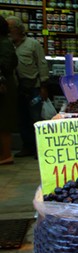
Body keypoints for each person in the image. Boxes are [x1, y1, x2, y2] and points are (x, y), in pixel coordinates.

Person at [6, 16, 49, 158]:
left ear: (18, 29)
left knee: (35, 119)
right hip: (17, 88)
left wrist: (44, 86)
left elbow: (42, 64)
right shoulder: (9, 45)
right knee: (22, 119)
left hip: (33, 87)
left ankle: (40, 149)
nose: (9, 31)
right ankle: (27, 147)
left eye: (10, 28)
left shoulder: (33, 44)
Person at [0, 15, 18, 165]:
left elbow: (6, 65)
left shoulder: (4, 43)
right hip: (5, 86)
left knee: (4, 122)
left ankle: (6, 155)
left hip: (5, 88)